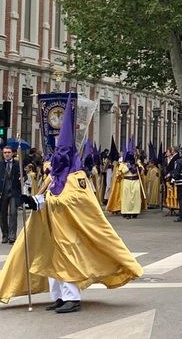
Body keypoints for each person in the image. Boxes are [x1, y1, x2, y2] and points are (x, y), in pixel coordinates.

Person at [0, 97, 142, 312]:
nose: (57, 159)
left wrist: (48, 199)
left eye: (61, 156)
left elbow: (76, 201)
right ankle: (58, 297)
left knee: (67, 262)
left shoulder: (77, 177)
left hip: (70, 230)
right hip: (51, 228)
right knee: (49, 262)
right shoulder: (54, 177)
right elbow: (45, 197)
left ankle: (72, 299)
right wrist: (33, 200)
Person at [0, 146, 21, 244]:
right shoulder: (0, 165)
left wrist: (23, 177)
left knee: (13, 213)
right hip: (2, 192)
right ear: (3, 154)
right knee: (2, 214)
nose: (7, 154)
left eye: (8, 152)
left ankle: (12, 236)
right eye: (5, 152)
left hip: (14, 191)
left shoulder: (18, 164)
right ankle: (5, 235)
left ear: (12, 153)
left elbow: (23, 175)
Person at [118, 150, 146, 219]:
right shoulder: (123, 164)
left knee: (135, 196)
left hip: (135, 180)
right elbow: (123, 171)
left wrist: (138, 167)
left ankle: (135, 212)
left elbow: (142, 171)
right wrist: (129, 166)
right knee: (127, 197)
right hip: (127, 181)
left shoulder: (137, 162)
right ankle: (126, 212)